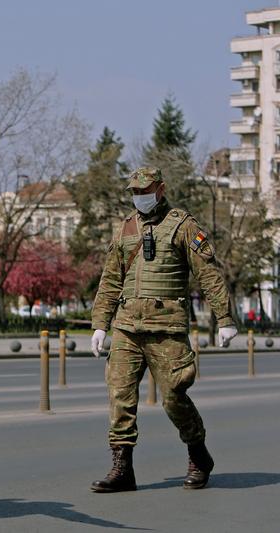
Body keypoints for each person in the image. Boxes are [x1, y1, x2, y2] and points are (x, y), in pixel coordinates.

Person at [89, 167, 237, 493]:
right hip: (127, 327)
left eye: (145, 190)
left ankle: (198, 454)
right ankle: (122, 468)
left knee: (173, 396)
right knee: (120, 397)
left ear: (160, 188)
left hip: (167, 328)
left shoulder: (183, 225)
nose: (138, 197)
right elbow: (111, 279)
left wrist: (225, 318)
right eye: (134, 192)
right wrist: (100, 324)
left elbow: (207, 273)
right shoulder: (126, 228)